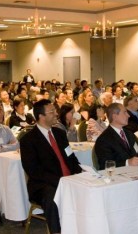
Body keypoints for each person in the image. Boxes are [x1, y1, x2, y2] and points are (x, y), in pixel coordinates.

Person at [20, 99, 82, 234]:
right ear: (41, 116)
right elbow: (33, 171)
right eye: (52, 111)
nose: (56, 114)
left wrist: (80, 172)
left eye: (55, 110)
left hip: (67, 179)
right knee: (52, 198)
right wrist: (60, 180)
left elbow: (70, 157)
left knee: (89, 187)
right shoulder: (28, 140)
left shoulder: (59, 134)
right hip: (44, 184)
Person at [94, 103, 138, 170]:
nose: (128, 115)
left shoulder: (130, 134)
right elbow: (105, 165)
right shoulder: (104, 139)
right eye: (125, 112)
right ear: (114, 116)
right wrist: (127, 163)